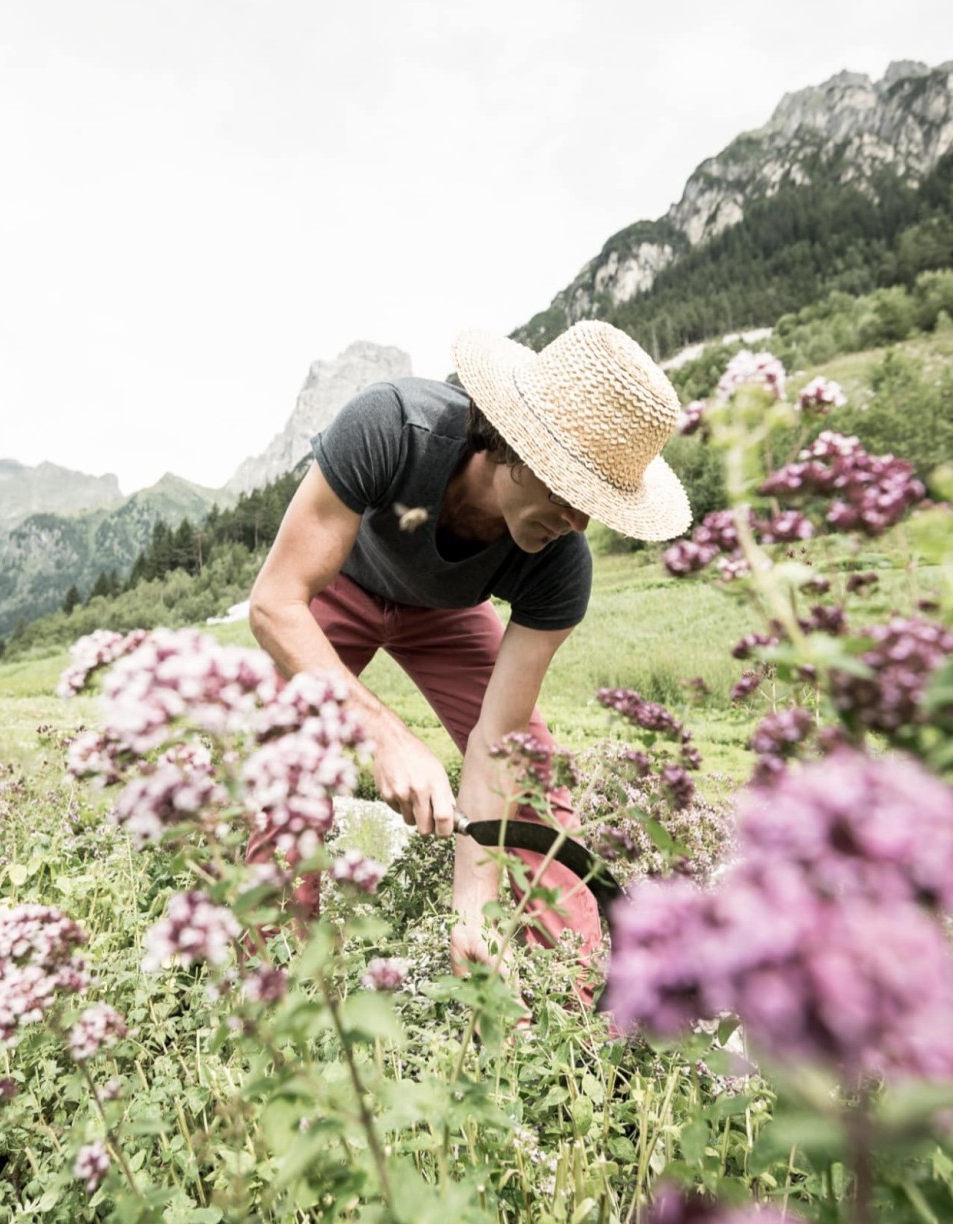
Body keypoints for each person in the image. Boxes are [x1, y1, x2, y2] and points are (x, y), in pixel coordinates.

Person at [247, 319, 691, 973]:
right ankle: (272, 980)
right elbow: (275, 603)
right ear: (515, 441)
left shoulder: (562, 563)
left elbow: (496, 742)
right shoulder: (391, 426)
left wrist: (472, 903)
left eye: (594, 503)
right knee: (289, 764)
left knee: (531, 776)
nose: (577, 522)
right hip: (335, 585)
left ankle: (570, 997)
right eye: (570, 488)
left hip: (447, 615)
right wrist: (385, 736)